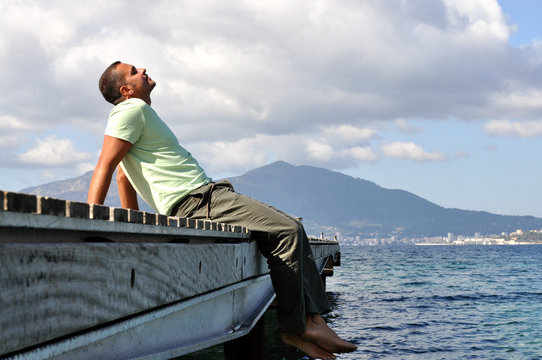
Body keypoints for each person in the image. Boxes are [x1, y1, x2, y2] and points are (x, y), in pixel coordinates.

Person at [88, 61, 357, 359]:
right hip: (199, 199)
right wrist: (93, 221)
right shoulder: (131, 110)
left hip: (201, 199)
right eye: (135, 71)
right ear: (126, 89)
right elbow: (105, 167)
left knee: (284, 230)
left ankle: (308, 324)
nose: (143, 70)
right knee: (289, 231)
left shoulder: (137, 116)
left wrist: (136, 222)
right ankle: (304, 325)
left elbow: (125, 175)